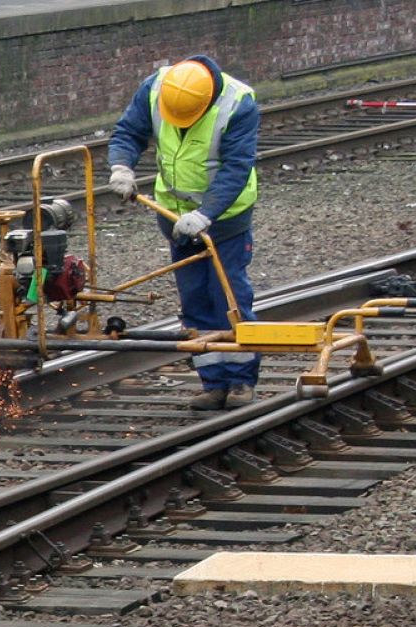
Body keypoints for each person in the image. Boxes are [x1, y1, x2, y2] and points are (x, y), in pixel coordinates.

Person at [107, 55, 262, 410]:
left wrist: (207, 213)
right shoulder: (157, 88)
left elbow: (236, 168)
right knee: (195, 299)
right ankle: (213, 382)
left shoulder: (238, 104)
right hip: (173, 216)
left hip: (225, 220)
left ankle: (241, 380)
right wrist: (121, 166)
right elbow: (129, 132)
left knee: (229, 297)